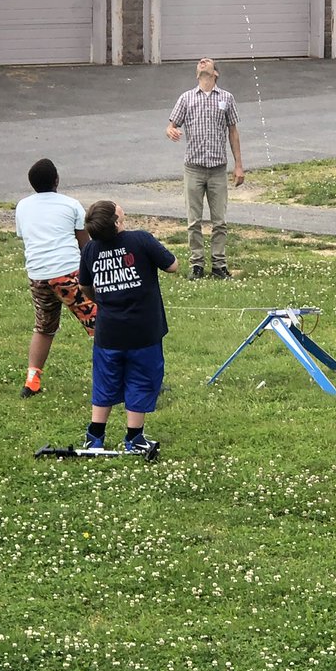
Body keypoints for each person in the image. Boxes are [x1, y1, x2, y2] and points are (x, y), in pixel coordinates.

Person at [77, 200, 178, 455]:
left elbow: (85, 286)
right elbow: (172, 265)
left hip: (108, 333)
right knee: (142, 380)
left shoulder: (90, 250)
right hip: (144, 332)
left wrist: (101, 295)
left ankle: (95, 436)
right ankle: (134, 437)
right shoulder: (141, 240)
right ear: (117, 222)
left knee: (105, 380)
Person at [14, 157, 96, 399]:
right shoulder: (70, 205)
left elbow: (25, 235)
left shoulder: (22, 206)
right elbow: (85, 245)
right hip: (68, 274)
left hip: (38, 275)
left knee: (44, 327)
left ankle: (32, 381)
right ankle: (122, 377)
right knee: (100, 323)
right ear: (57, 179)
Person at [166, 56, 244, 280]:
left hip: (218, 168)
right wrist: (170, 130)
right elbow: (171, 124)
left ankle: (219, 265)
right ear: (196, 74)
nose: (203, 61)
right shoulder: (187, 98)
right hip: (194, 168)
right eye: (200, 62)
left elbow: (233, 131)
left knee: (220, 221)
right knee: (194, 220)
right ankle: (197, 264)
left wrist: (238, 165)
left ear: (215, 73)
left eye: (208, 62)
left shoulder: (226, 98)